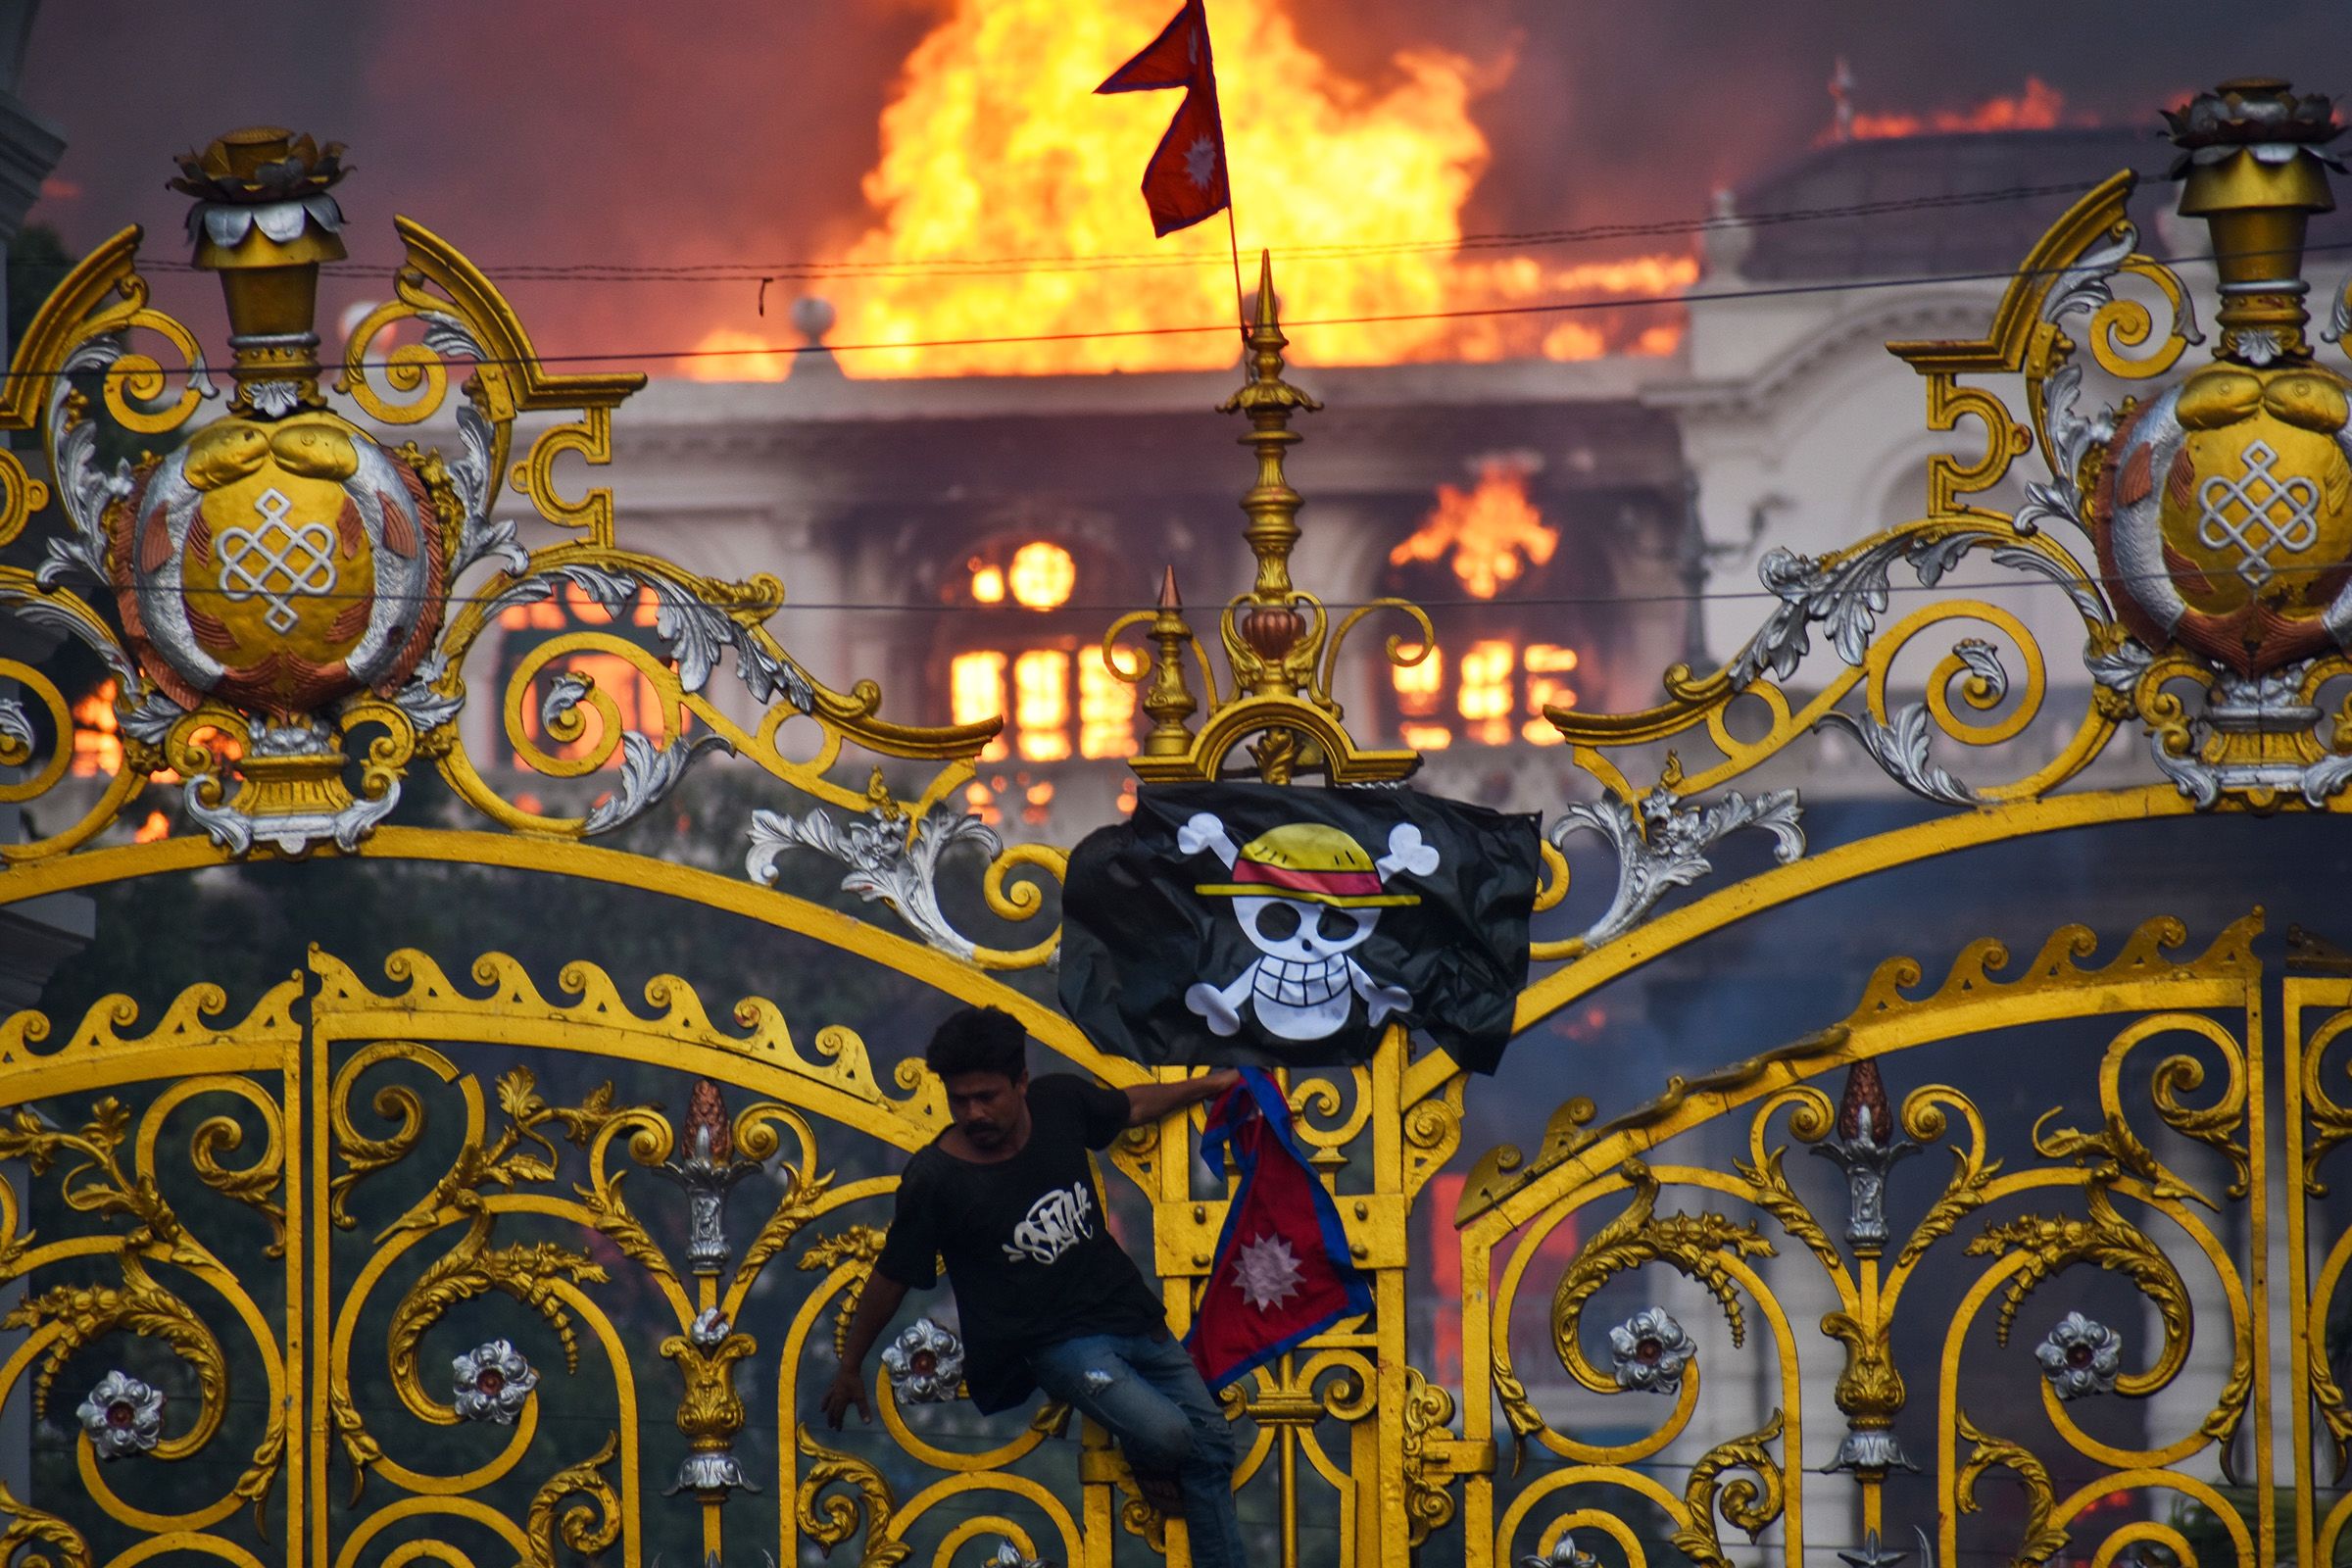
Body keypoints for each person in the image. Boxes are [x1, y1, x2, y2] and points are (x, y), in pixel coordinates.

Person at [820, 1005, 1249, 1568]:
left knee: (1212, 1445)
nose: (973, 1113)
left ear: (1021, 1082)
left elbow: (1131, 1106)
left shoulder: (1059, 1104)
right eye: (959, 1100)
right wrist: (851, 1364)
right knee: (1169, 1436)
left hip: (1129, 1313)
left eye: (987, 1096)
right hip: (1058, 1345)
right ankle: (1146, 1454)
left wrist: (1211, 1085)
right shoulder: (936, 1179)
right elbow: (892, 1276)